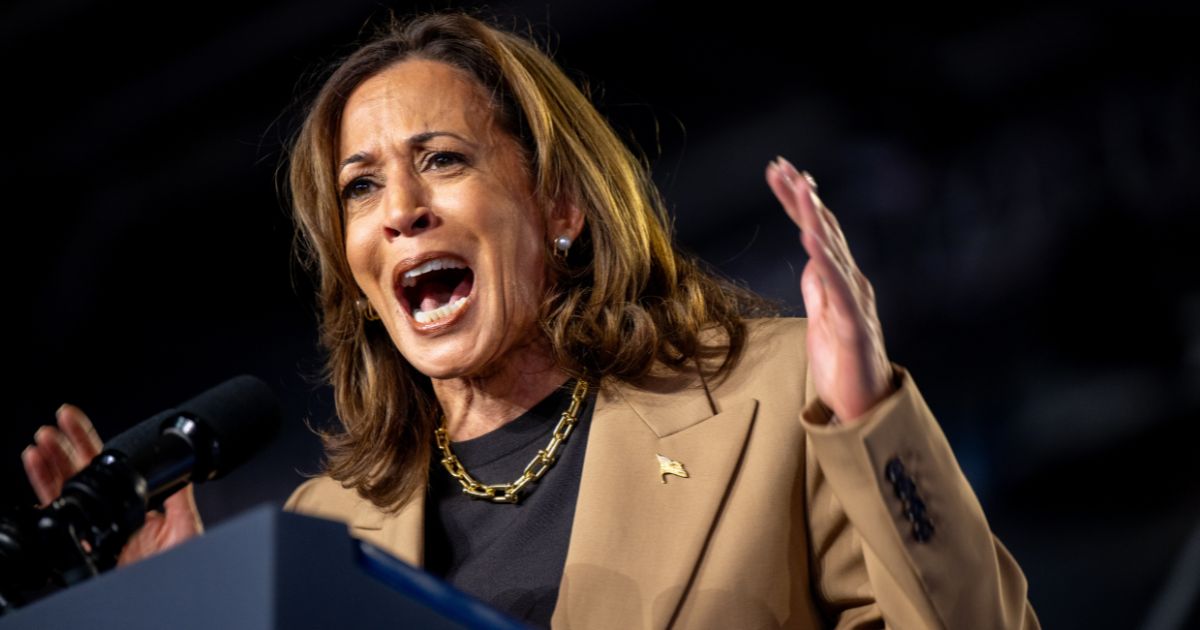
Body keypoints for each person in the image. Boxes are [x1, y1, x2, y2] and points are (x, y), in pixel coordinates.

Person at [21, 10, 1038, 629]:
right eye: (362, 187)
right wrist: (184, 612)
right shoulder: (324, 530)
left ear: (560, 205)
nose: (402, 207)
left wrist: (868, 418)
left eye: (444, 160)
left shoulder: (774, 400)